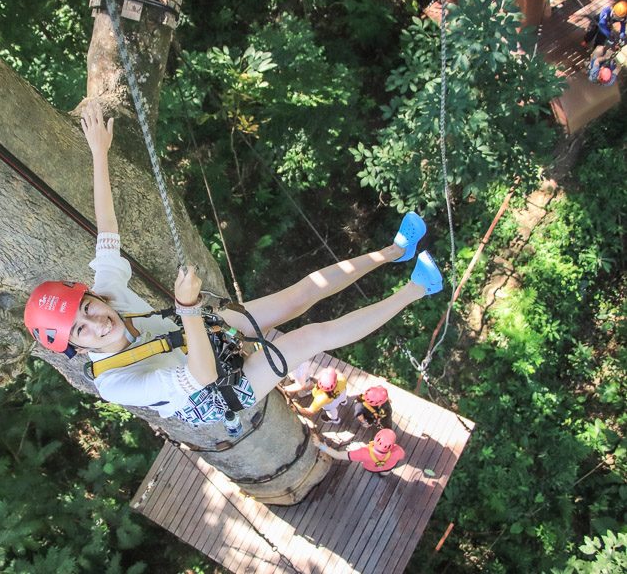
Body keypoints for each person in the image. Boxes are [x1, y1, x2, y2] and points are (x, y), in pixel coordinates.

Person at [23, 99, 444, 427]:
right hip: (214, 390)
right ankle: (418, 288)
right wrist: (188, 309)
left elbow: (107, 227)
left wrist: (99, 152)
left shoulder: (109, 291)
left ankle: (395, 251)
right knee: (312, 336)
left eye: (87, 307)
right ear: (77, 348)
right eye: (81, 329)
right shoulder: (115, 383)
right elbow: (200, 377)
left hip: (194, 330)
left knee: (296, 296)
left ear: (93, 294)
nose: (97, 322)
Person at [316, 428, 406, 475]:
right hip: (388, 467)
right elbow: (402, 456)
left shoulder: (363, 453)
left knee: (374, 469)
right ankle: (383, 475)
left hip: (371, 468)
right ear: (392, 445)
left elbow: (338, 455)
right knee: (385, 472)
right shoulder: (398, 451)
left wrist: (320, 445)